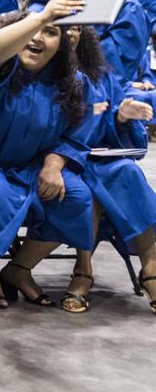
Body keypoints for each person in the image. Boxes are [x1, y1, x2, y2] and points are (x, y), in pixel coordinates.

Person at [0, 0, 96, 310]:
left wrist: (54, 165)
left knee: (77, 198)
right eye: (29, 29)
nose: (38, 37)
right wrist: (39, 19)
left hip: (31, 163)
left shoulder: (72, 82)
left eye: (51, 32)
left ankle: (18, 269)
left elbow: (76, 134)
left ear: (62, 45)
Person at [60, 25, 156, 314]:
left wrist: (122, 115)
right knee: (87, 184)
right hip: (62, 157)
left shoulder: (102, 73)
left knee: (127, 171)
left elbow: (118, 107)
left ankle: (151, 267)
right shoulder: (42, 73)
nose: (68, 33)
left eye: (75, 28)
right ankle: (83, 268)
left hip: (101, 154)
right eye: (61, 28)